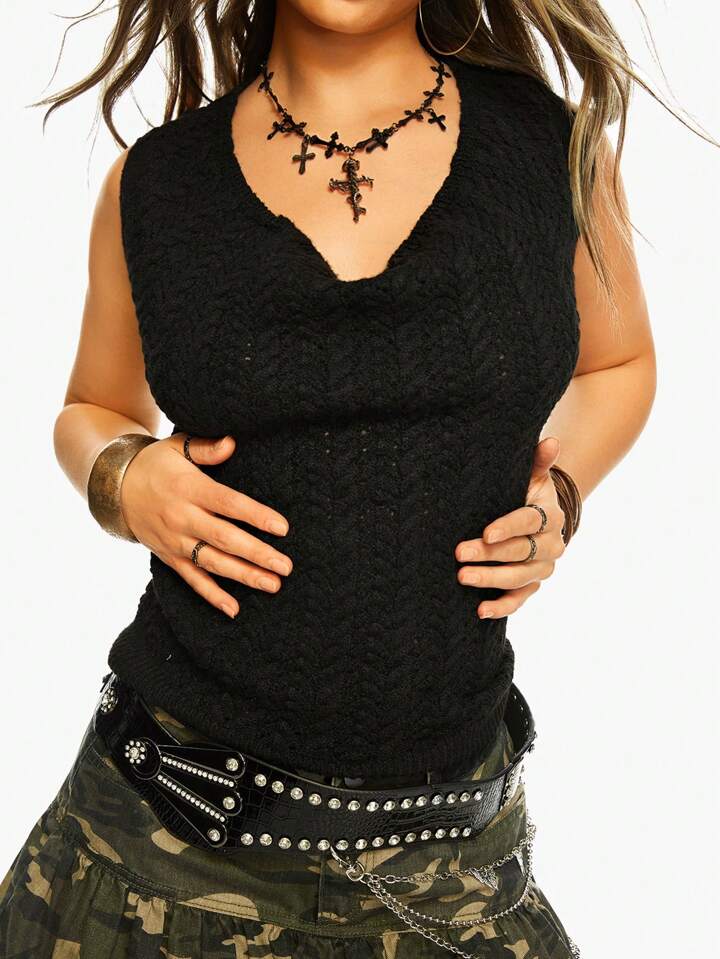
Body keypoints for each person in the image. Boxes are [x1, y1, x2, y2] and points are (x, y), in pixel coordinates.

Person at [0, 1, 660, 956]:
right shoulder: (155, 184)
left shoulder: (553, 150)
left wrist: (559, 495)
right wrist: (125, 477)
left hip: (448, 876)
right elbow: (92, 406)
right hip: (157, 849)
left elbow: (619, 362)